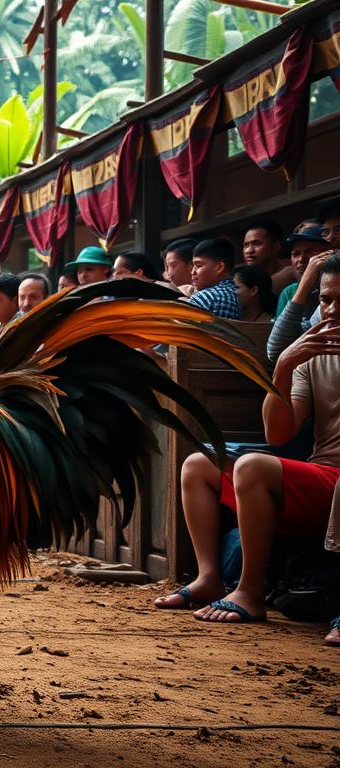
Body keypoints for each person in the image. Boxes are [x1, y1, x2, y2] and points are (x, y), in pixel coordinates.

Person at [157, 253, 340, 639]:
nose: (332, 309)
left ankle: (250, 591)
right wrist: (285, 366)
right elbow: (279, 433)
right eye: (326, 299)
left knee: (251, 466)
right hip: (323, 477)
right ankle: (209, 578)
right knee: (198, 465)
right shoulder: (314, 354)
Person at [273, 225, 331, 318]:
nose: (301, 259)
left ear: (329, 253)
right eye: (296, 254)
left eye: (310, 251)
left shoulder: (335, 287)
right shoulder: (289, 292)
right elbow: (280, 332)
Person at [185, 239, 242, 320]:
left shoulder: (204, 298)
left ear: (219, 268)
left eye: (198, 265)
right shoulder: (242, 296)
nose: (192, 272)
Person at [241, 220, 293, 294]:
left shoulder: (291, 274)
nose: (249, 251)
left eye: (257, 244)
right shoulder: (242, 282)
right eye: (246, 245)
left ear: (276, 247)